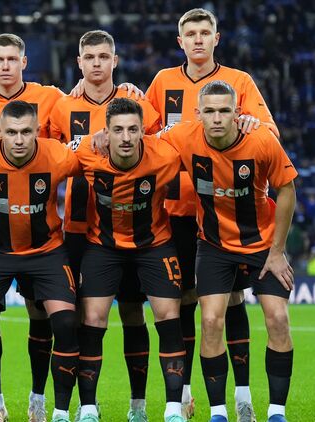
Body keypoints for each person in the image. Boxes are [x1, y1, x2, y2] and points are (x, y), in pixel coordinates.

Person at [145, 9, 281, 420]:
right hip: (173, 211)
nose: (198, 39)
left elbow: (269, 135)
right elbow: (144, 135)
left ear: (216, 38)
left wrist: (254, 123)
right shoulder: (162, 82)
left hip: (223, 212)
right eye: (191, 33)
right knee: (185, 301)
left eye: (205, 32)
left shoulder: (239, 82)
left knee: (232, 300)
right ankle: (185, 392)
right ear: (180, 41)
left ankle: (242, 395)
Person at [161, 80, 296, 422]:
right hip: (214, 245)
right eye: (210, 111)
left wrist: (278, 252)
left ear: (237, 112)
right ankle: (219, 413)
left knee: (278, 319)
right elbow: (141, 146)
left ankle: (277, 412)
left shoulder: (261, 140)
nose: (217, 118)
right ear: (198, 114)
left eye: (225, 111)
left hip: (262, 245)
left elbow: (287, 190)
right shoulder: (182, 136)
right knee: (210, 321)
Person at [48, 30, 161, 421]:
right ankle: (86, 405)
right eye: (89, 57)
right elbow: (47, 155)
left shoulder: (137, 103)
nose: (96, 63)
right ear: (79, 62)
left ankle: (138, 405)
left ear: (115, 61)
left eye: (103, 56)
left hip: (131, 227)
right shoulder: (62, 107)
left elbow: (158, 150)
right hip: (80, 229)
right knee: (84, 317)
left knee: (132, 313)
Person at [0, 100, 80, 422]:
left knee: (65, 323)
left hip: (46, 252)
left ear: (37, 131)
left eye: (26, 132)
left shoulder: (59, 155)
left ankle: (54, 409)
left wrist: (97, 139)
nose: (18, 140)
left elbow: (96, 158)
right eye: (11, 132)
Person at [73, 98, 185, 422]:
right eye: (118, 130)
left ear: (143, 131)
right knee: (92, 319)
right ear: (105, 132)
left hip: (154, 245)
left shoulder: (166, 155)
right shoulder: (87, 152)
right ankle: (88, 408)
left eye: (133, 130)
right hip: (103, 247)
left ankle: (169, 409)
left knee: (168, 318)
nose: (125, 137)